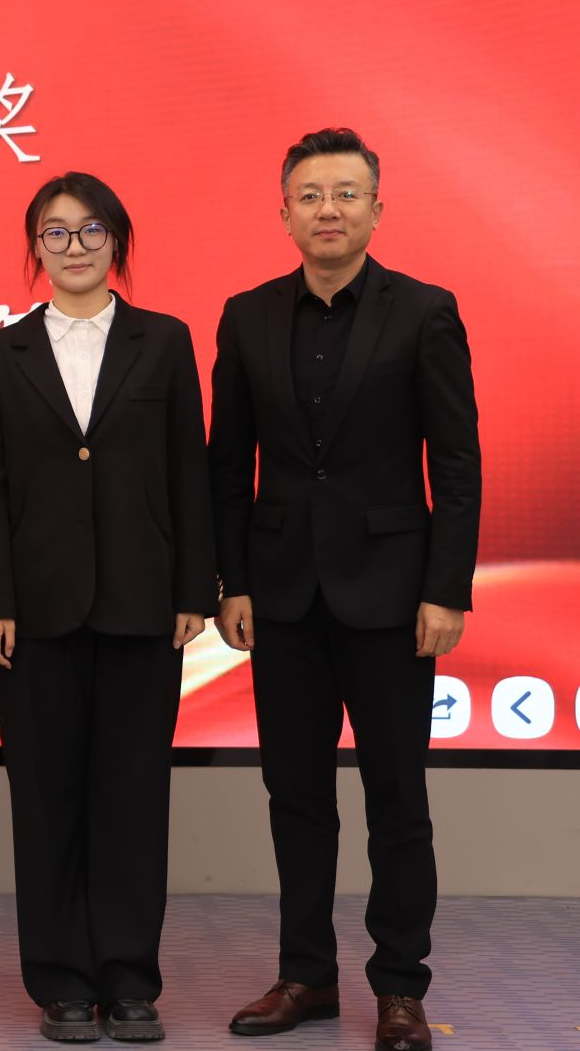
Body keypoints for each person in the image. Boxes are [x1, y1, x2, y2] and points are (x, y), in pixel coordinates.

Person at [208, 127, 480, 1051]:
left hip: (396, 599)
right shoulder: (246, 316)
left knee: (398, 798)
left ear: (376, 207)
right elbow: (227, 465)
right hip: (282, 597)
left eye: (346, 193)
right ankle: (306, 975)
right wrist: (231, 582)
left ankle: (400, 985)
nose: (328, 209)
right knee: (295, 796)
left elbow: (457, 462)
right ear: (284, 211)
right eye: (311, 195)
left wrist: (447, 588)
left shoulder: (425, 311)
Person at [0, 173, 216, 1044]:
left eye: (91, 229)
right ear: (35, 246)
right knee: (45, 799)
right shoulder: (3, 353)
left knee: (133, 797)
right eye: (55, 232)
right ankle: (63, 981)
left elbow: (189, 468)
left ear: (118, 241)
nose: (74, 246)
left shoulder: (165, 340)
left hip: (144, 604)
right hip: (33, 612)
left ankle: (131, 979)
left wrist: (195, 589)